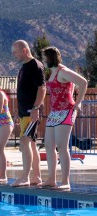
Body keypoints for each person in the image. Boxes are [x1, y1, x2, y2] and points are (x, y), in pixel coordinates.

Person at [41, 46, 87, 190]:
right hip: (54, 113)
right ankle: (51, 179)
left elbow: (83, 82)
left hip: (66, 111)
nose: (43, 61)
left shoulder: (63, 71)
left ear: (50, 58)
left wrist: (78, 103)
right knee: (49, 145)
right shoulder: (53, 72)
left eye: (44, 58)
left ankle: (65, 181)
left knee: (62, 146)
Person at [11, 40, 46, 186]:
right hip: (25, 112)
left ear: (24, 50)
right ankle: (36, 177)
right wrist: (18, 112)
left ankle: (25, 177)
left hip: (32, 112)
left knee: (25, 141)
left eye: (16, 52)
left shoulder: (35, 66)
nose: (14, 55)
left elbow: (42, 88)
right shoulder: (24, 67)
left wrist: (36, 108)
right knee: (31, 144)